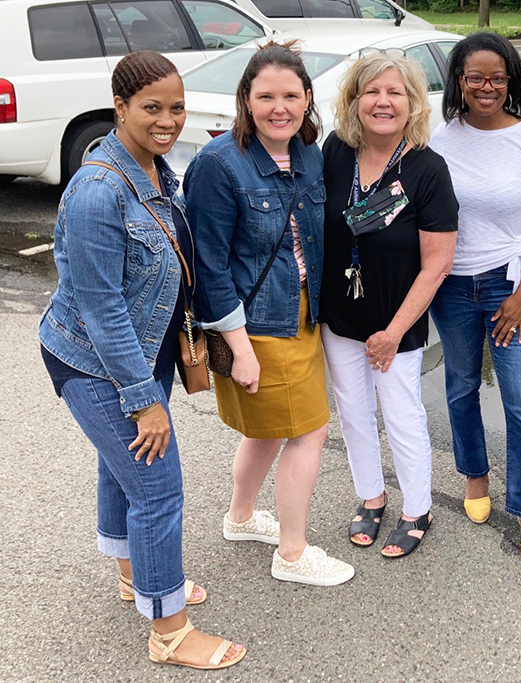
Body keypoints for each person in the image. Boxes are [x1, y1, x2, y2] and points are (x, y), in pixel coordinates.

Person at [38, 51, 245, 669]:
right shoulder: (98, 190)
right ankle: (170, 632)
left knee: (121, 468)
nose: (168, 120)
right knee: (158, 490)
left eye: (176, 108)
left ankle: (138, 580)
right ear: (120, 106)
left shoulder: (154, 168)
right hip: (98, 362)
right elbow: (101, 311)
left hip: (142, 347)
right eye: (152, 108)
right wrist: (144, 398)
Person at [184, 41, 354, 586]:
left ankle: (239, 518)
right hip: (255, 323)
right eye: (265, 96)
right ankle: (293, 552)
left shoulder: (308, 153)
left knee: (266, 432)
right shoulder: (218, 164)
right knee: (309, 430)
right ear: (246, 100)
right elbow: (209, 267)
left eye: (290, 95)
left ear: (307, 98)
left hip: (302, 311)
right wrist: (239, 349)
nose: (279, 107)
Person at [429, 33, 521, 572]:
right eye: (476, 76)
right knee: (460, 386)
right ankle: (475, 475)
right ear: (459, 80)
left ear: (512, 81)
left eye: (498, 77)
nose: (487, 86)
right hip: (453, 285)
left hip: (511, 283)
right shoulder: (438, 139)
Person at [320, 51, 458, 558]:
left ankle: (416, 507)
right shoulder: (335, 151)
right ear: (354, 102)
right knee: (354, 413)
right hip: (341, 318)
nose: (382, 102)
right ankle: (371, 497)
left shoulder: (427, 169)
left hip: (396, 324)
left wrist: (394, 331)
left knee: (401, 414)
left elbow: (437, 263)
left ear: (412, 102)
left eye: (394, 92)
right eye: (371, 92)